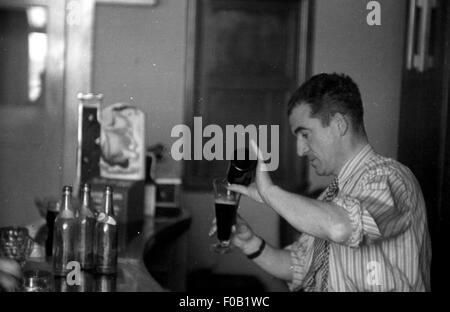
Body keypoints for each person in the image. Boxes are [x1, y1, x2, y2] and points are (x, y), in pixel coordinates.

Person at [214, 73, 431, 292]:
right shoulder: (330, 197)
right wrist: (250, 242)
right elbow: (299, 266)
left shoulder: (391, 179)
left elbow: (340, 227)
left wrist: (269, 192)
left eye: (305, 134)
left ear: (338, 124)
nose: (300, 150)